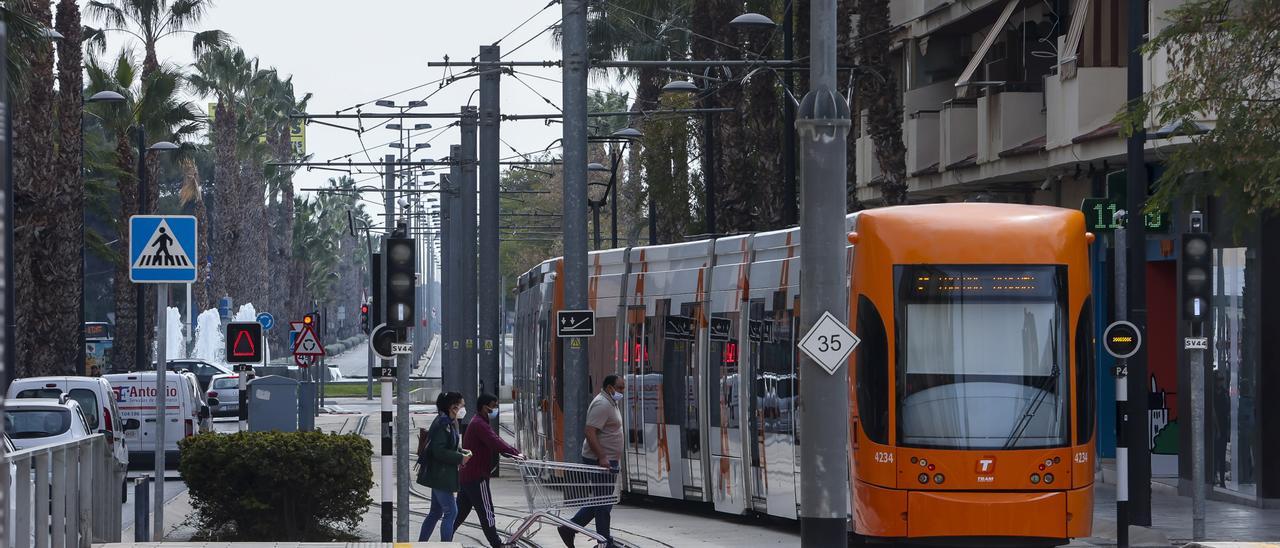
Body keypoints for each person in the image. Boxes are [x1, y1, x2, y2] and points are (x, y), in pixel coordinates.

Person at [559, 375, 626, 548]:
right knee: (603, 504)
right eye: (620, 388)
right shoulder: (602, 404)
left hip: (608, 460)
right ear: (610, 387)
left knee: (601, 501)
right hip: (600, 460)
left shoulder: (610, 402)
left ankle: (570, 528)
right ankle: (604, 542)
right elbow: (590, 432)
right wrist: (602, 457)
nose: (622, 391)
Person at [454, 394, 525, 547]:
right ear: (484, 407)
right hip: (477, 476)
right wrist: (515, 453)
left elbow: (495, 441)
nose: (495, 409)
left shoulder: (478, 422)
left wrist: (512, 452)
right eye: (493, 406)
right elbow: (495, 442)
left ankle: (444, 539)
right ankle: (497, 544)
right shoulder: (479, 424)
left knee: (459, 513)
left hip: (467, 476)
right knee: (487, 512)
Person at [416, 391, 472, 542]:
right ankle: (446, 545)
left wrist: (462, 452)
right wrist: (460, 458)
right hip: (440, 475)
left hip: (440, 474)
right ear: (453, 407)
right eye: (462, 406)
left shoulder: (449, 421)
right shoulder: (443, 424)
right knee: (451, 512)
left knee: (435, 511)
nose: (463, 409)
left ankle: (422, 543)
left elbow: (449, 445)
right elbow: (438, 451)